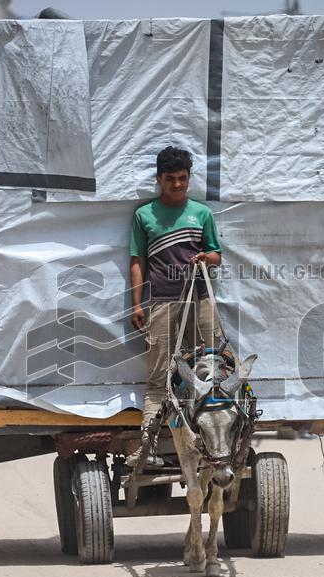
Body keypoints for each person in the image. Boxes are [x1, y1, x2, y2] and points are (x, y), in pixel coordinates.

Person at [128, 146, 222, 467]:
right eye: (171, 179)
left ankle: (216, 443)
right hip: (160, 303)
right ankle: (149, 446)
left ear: (188, 178)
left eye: (183, 179)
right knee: (158, 379)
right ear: (159, 179)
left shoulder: (202, 214)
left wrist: (205, 258)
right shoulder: (144, 216)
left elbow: (217, 256)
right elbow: (137, 261)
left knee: (213, 369)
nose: (178, 185)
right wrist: (136, 304)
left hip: (200, 300)